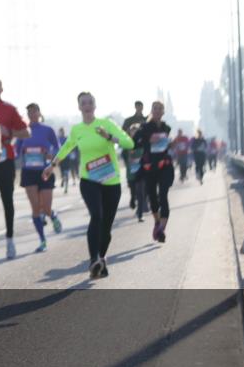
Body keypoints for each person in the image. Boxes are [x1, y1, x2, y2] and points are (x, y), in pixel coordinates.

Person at [43, 92, 134, 279]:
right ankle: (94, 260)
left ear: (95, 105)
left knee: (107, 226)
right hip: (89, 180)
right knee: (97, 216)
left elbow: (129, 143)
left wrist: (109, 136)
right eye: (83, 103)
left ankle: (101, 258)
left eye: (90, 102)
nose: (87, 105)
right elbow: (67, 147)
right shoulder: (77, 130)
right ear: (79, 107)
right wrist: (52, 166)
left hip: (111, 181)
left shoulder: (107, 124)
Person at [0, 77, 31, 259]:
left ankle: (10, 240)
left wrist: (9, 132)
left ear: (2, 89)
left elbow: (27, 132)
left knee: (7, 202)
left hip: (6, 159)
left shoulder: (10, 109)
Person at [17, 103, 63, 251]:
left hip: (45, 171)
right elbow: (16, 151)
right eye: (29, 112)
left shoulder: (47, 130)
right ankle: (43, 241)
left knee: (46, 207)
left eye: (34, 111)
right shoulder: (23, 131)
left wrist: (51, 155)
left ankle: (53, 216)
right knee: (36, 208)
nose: (32, 114)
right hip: (29, 172)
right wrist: (21, 153)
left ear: (39, 113)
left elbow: (58, 148)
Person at [133, 101, 175, 242]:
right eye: (155, 108)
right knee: (153, 197)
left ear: (163, 112)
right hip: (150, 167)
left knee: (163, 194)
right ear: (151, 110)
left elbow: (167, 144)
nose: (157, 111)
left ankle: (161, 229)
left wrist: (170, 143)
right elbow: (135, 142)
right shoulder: (145, 128)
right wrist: (147, 139)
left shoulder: (166, 128)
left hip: (165, 166)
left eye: (160, 109)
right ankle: (157, 221)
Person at [123, 122, 148, 222]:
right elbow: (124, 157)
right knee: (133, 193)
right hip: (131, 173)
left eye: (136, 131)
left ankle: (140, 214)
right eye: (132, 131)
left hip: (141, 171)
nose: (134, 133)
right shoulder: (127, 144)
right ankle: (132, 199)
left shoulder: (143, 143)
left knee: (141, 193)